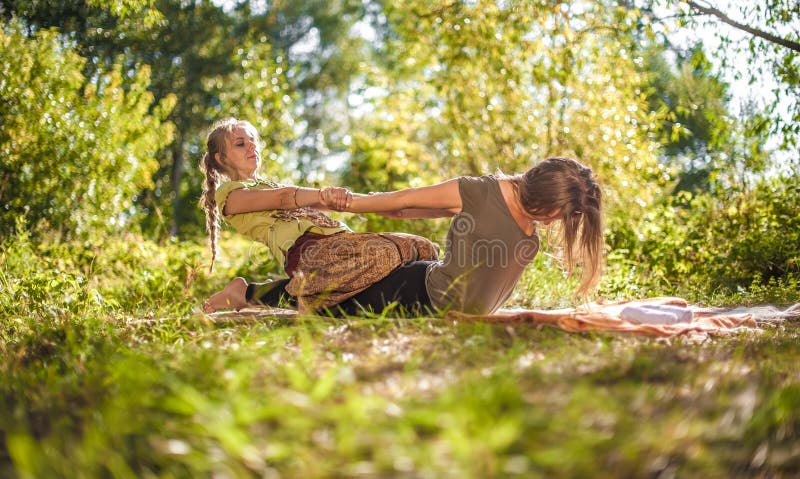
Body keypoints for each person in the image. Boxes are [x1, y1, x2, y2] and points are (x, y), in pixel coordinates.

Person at [199, 118, 438, 314]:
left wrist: (380, 202)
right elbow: (283, 197)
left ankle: (266, 293)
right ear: (221, 159)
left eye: (253, 141)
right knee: (384, 253)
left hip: (342, 244)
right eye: (241, 144)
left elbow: (339, 203)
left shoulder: (271, 185)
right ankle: (253, 294)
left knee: (423, 247)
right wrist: (324, 194)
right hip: (309, 253)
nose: (252, 147)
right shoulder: (230, 195)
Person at [336, 156, 604, 314]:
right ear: (544, 194)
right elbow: (405, 201)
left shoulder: (530, 219)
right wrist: (348, 203)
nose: (554, 221)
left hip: (455, 313)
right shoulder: (480, 192)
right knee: (332, 308)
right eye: (555, 214)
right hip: (417, 293)